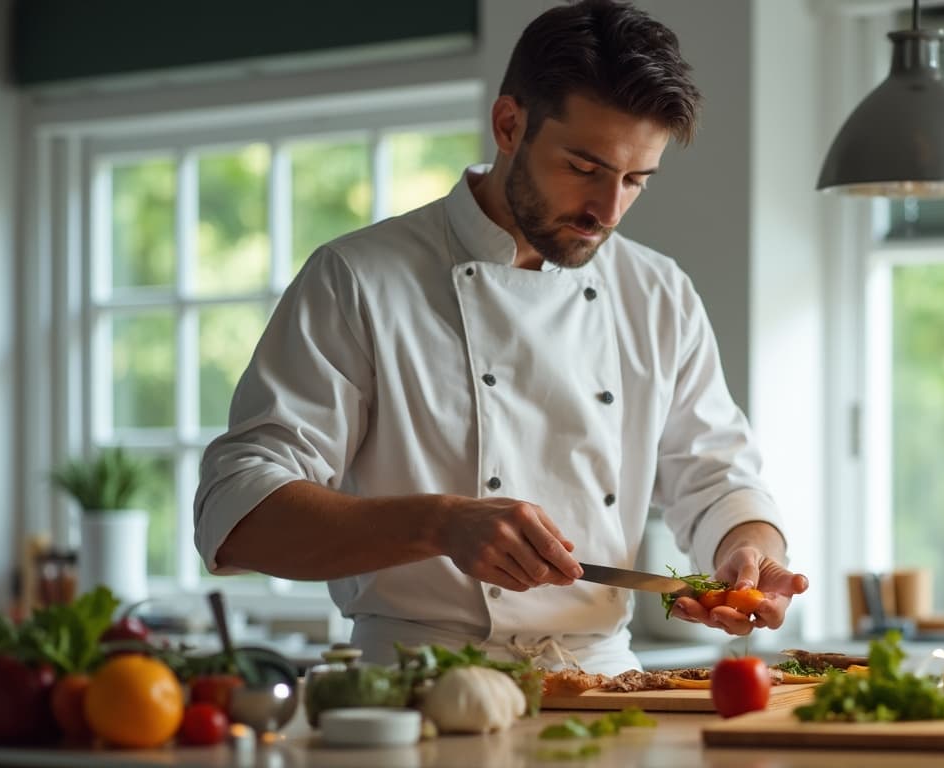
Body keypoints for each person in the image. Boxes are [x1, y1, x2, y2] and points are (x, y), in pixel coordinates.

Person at [193, 0, 807, 674]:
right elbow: (237, 510)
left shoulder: (658, 294)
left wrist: (745, 553)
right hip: (414, 688)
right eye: (584, 167)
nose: (608, 211)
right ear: (509, 124)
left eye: (636, 180)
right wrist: (440, 524)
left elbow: (718, 479)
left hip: (605, 686)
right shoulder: (359, 279)